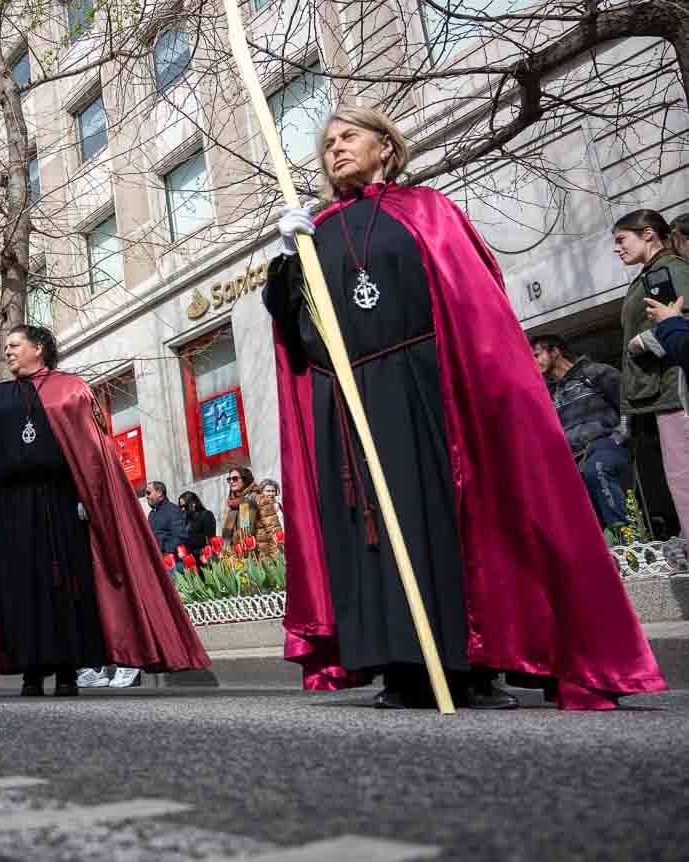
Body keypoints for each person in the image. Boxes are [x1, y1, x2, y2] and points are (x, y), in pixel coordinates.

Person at [266, 105, 664, 709]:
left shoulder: (428, 211)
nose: (336, 149)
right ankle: (403, 668)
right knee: (374, 533)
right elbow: (301, 333)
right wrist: (290, 265)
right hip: (355, 401)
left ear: (386, 146)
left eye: (349, 137)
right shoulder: (316, 230)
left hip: (428, 386)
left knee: (445, 519)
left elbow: (472, 305)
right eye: (327, 144)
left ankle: (469, 666)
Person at [0, 324, 209, 697]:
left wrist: (89, 499)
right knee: (20, 589)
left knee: (64, 586)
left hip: (60, 504)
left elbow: (93, 453)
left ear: (40, 348)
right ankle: (31, 672)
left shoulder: (70, 390)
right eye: (5, 347)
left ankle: (66, 671)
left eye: (15, 345)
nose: (7, 352)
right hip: (11, 510)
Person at [616, 208, 689, 535]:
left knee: (684, 479)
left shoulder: (671, 269)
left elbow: (682, 321)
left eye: (621, 239)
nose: (617, 248)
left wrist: (642, 342)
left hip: (674, 391)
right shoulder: (651, 274)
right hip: (658, 395)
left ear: (648, 234)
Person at [531, 334, 630, 533]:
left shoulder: (596, 373)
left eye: (536, 355)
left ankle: (626, 539)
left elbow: (627, 406)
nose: (532, 362)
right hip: (572, 458)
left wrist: (621, 438)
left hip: (606, 445)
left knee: (597, 470)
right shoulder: (548, 394)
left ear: (555, 352)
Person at [222, 467, 281, 556]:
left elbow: (274, 531)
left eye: (235, 479)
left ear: (245, 480)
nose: (231, 481)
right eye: (229, 479)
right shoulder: (232, 505)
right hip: (240, 562)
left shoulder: (258, 499)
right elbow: (228, 541)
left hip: (260, 558)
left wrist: (274, 559)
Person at [145, 481, 188, 555]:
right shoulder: (151, 514)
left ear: (159, 493)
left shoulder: (173, 510)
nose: (146, 496)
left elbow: (180, 537)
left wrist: (164, 551)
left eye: (149, 493)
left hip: (172, 561)